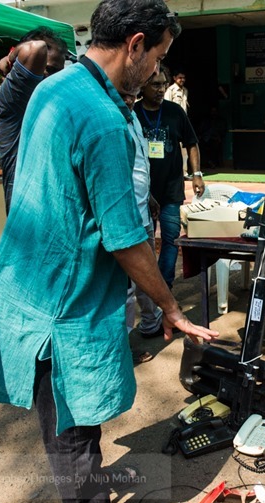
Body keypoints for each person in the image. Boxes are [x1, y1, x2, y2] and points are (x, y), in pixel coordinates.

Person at [0, 1, 217, 503]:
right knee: (73, 431)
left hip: (32, 283)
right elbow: (124, 239)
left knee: (72, 426)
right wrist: (170, 307)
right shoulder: (102, 118)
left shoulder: (56, 89)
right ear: (135, 44)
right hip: (63, 303)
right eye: (158, 56)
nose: (158, 71)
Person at [134, 67, 204, 292]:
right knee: (144, 245)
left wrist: (197, 174)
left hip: (172, 190)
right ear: (142, 86)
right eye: (155, 85)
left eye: (164, 84)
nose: (161, 89)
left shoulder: (175, 112)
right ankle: (150, 291)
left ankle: (165, 289)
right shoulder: (132, 113)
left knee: (171, 240)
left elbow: (192, 143)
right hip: (143, 193)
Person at [0, 26, 68, 213]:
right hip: (27, 212)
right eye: (47, 69)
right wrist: (10, 58)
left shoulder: (53, 101)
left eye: (57, 71)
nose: (52, 78)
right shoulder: (11, 97)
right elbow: (35, 49)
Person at [122, 89, 164, 344]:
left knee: (148, 273)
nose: (128, 99)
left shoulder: (133, 118)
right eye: (122, 94)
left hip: (143, 213)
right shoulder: (111, 122)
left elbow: (139, 166)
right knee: (126, 287)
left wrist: (149, 196)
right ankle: (124, 344)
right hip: (126, 221)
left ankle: (151, 322)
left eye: (132, 95)